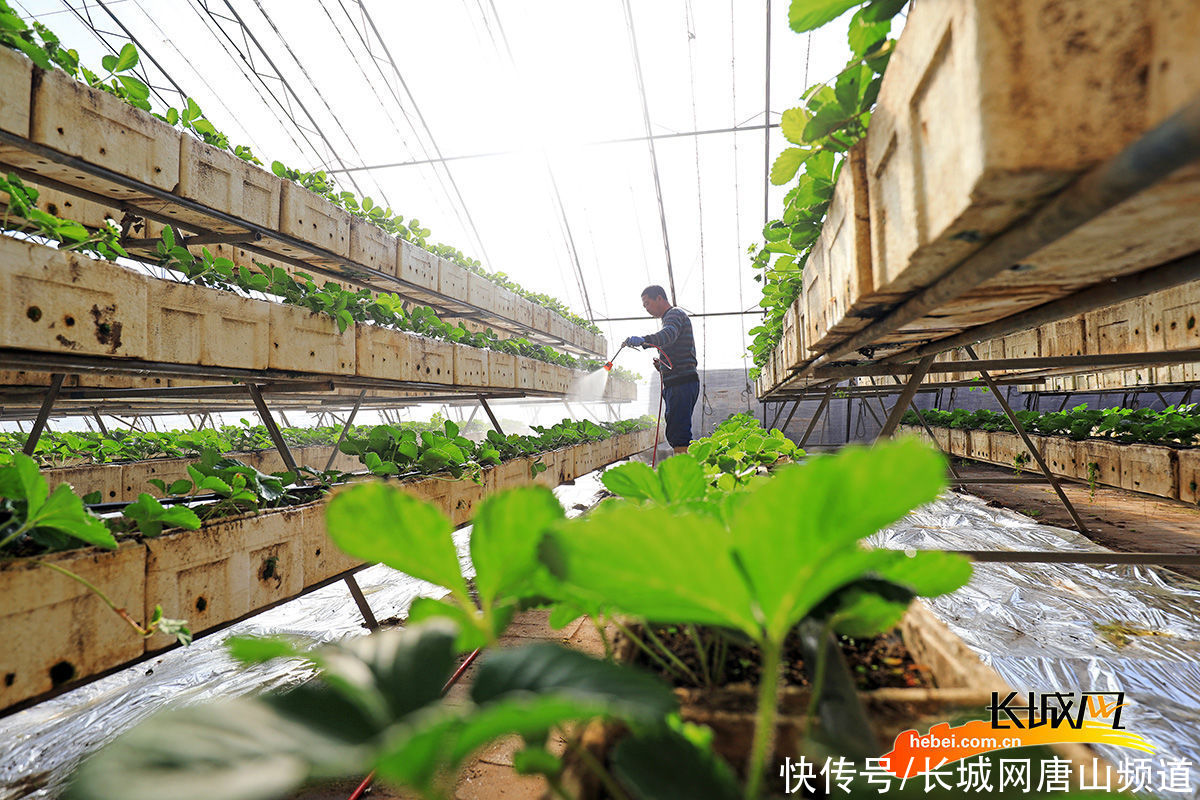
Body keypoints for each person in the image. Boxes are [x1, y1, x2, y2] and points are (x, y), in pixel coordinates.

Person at [624, 285, 699, 454]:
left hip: (681, 383)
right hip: (679, 382)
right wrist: (663, 366)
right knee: (676, 430)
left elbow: (668, 335)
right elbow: (676, 347)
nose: (647, 309)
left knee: (679, 433)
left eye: (647, 304)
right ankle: (683, 470)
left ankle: (683, 475)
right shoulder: (672, 317)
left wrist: (645, 340)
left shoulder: (673, 314)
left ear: (659, 298)